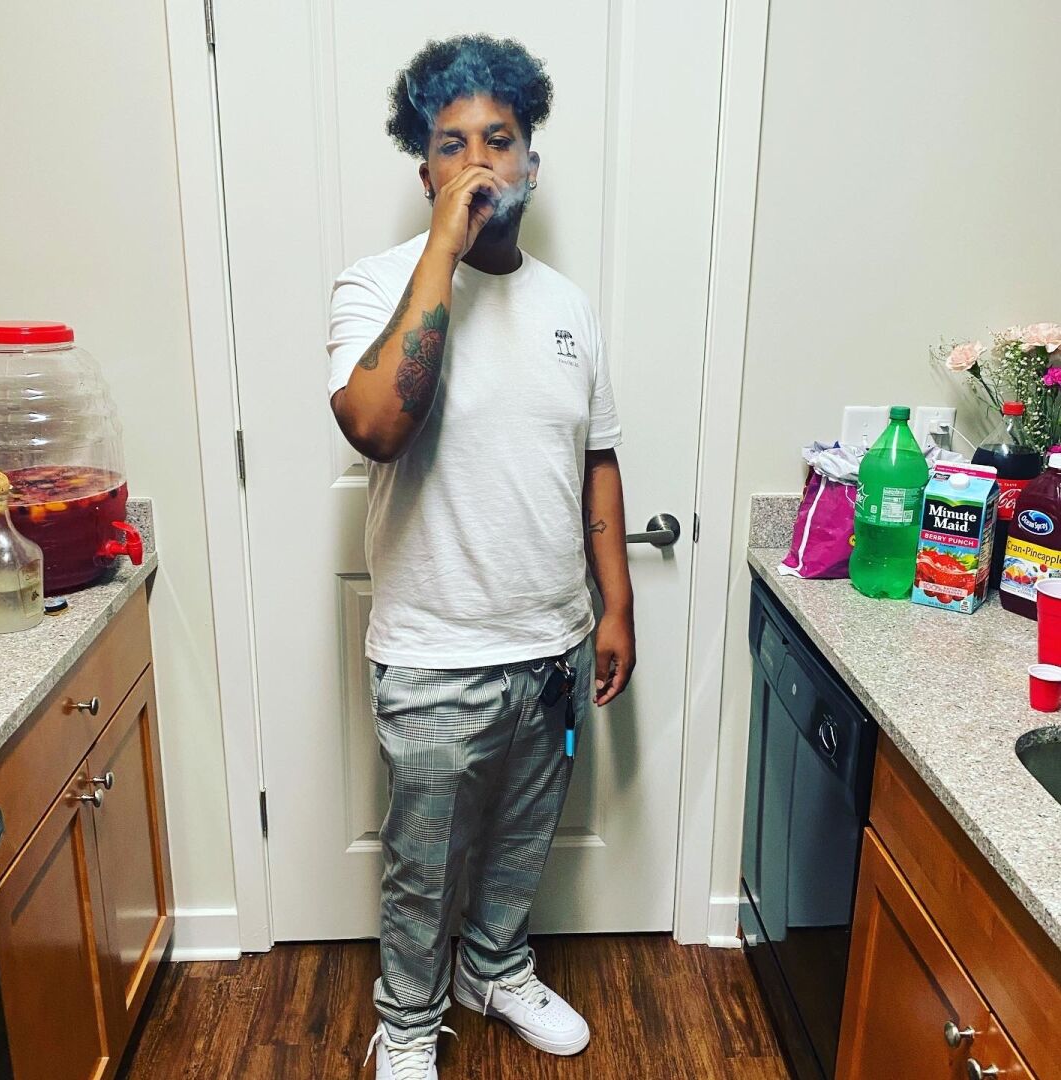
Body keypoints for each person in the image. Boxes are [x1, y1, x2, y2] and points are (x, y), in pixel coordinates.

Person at [327, 34, 636, 1080]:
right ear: (425, 173)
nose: (477, 162)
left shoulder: (568, 307)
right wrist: (441, 257)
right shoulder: (375, 287)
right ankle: (409, 1023)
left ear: (530, 164)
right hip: (431, 653)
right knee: (422, 869)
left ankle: (495, 969)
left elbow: (597, 460)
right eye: (450, 145)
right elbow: (377, 425)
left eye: (497, 140)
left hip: (551, 645)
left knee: (521, 839)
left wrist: (615, 607)